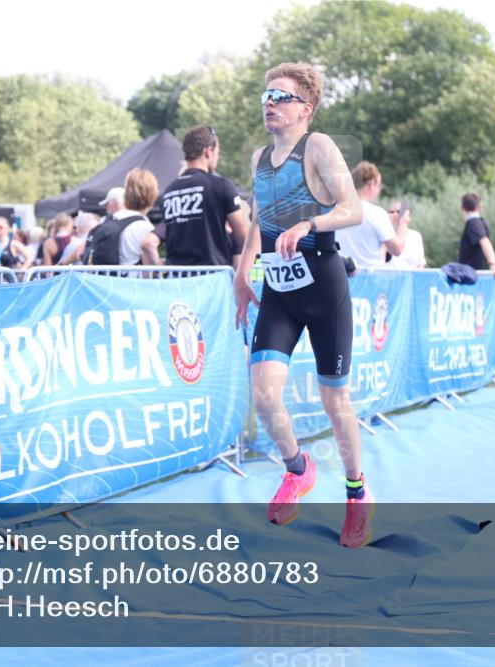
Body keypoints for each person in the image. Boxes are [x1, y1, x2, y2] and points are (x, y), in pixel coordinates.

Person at [233, 62, 372, 548]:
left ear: (305, 109)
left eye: (281, 96)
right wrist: (241, 273)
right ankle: (298, 467)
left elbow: (352, 209)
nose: (269, 103)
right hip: (278, 291)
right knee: (265, 395)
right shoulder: (258, 159)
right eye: (266, 95)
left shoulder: (319, 147)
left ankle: (357, 494)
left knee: (335, 401)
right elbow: (256, 221)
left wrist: (309, 224)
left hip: (322, 285)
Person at [161, 125, 250, 266]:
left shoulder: (168, 191)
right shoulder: (221, 186)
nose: (217, 158)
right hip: (212, 278)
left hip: (177, 280)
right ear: (209, 151)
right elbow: (242, 236)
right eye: (218, 153)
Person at [335, 162, 408, 271]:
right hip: (369, 281)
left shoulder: (336, 209)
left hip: (342, 277)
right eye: (379, 186)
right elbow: (397, 250)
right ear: (371, 184)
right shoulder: (377, 214)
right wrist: (403, 224)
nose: (378, 191)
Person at [458, 193, 495, 276]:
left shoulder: (473, 223)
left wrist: (493, 264)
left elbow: (485, 242)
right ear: (479, 207)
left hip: (471, 276)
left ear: (462, 208)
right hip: (473, 274)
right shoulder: (480, 222)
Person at [385, 200, 425, 270]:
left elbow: (420, 265)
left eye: (398, 212)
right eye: (391, 212)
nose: (394, 214)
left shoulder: (416, 236)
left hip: (410, 279)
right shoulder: (384, 234)